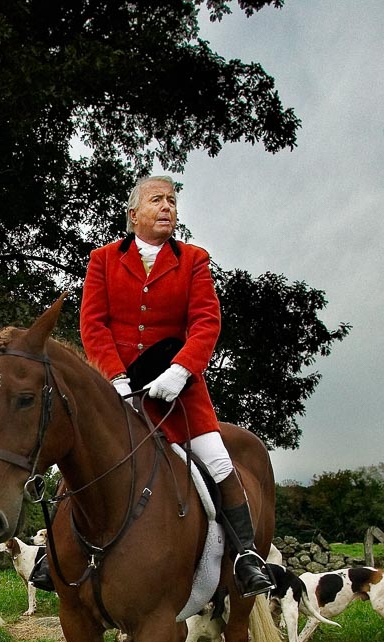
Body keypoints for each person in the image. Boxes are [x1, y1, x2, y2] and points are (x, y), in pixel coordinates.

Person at [79, 174, 273, 597]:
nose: (167, 207)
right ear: (133, 215)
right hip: (120, 391)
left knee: (219, 463)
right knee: (78, 460)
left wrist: (182, 370)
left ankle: (246, 557)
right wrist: (114, 376)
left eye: (171, 200)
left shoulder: (194, 260)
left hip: (180, 394)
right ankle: (57, 556)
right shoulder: (103, 260)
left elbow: (206, 321)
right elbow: (93, 325)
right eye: (156, 200)